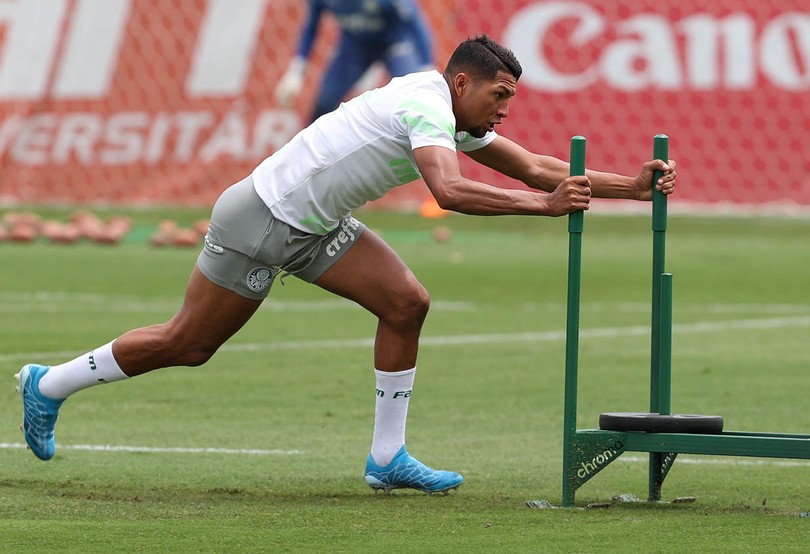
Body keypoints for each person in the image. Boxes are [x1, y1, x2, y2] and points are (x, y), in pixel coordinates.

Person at [17, 35, 677, 494]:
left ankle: (387, 458)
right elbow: (447, 193)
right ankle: (48, 386)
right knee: (188, 344)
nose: (504, 111)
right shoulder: (424, 103)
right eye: (499, 95)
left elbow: (536, 167)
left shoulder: (453, 111)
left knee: (406, 303)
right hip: (259, 219)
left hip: (316, 228)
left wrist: (630, 185)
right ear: (461, 82)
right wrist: (545, 209)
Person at [275, 0, 434, 122]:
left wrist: (426, 67)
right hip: (355, 46)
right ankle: (309, 159)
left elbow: (414, 23)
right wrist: (296, 70)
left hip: (395, 41)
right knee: (324, 104)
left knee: (413, 97)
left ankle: (416, 154)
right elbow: (312, 24)